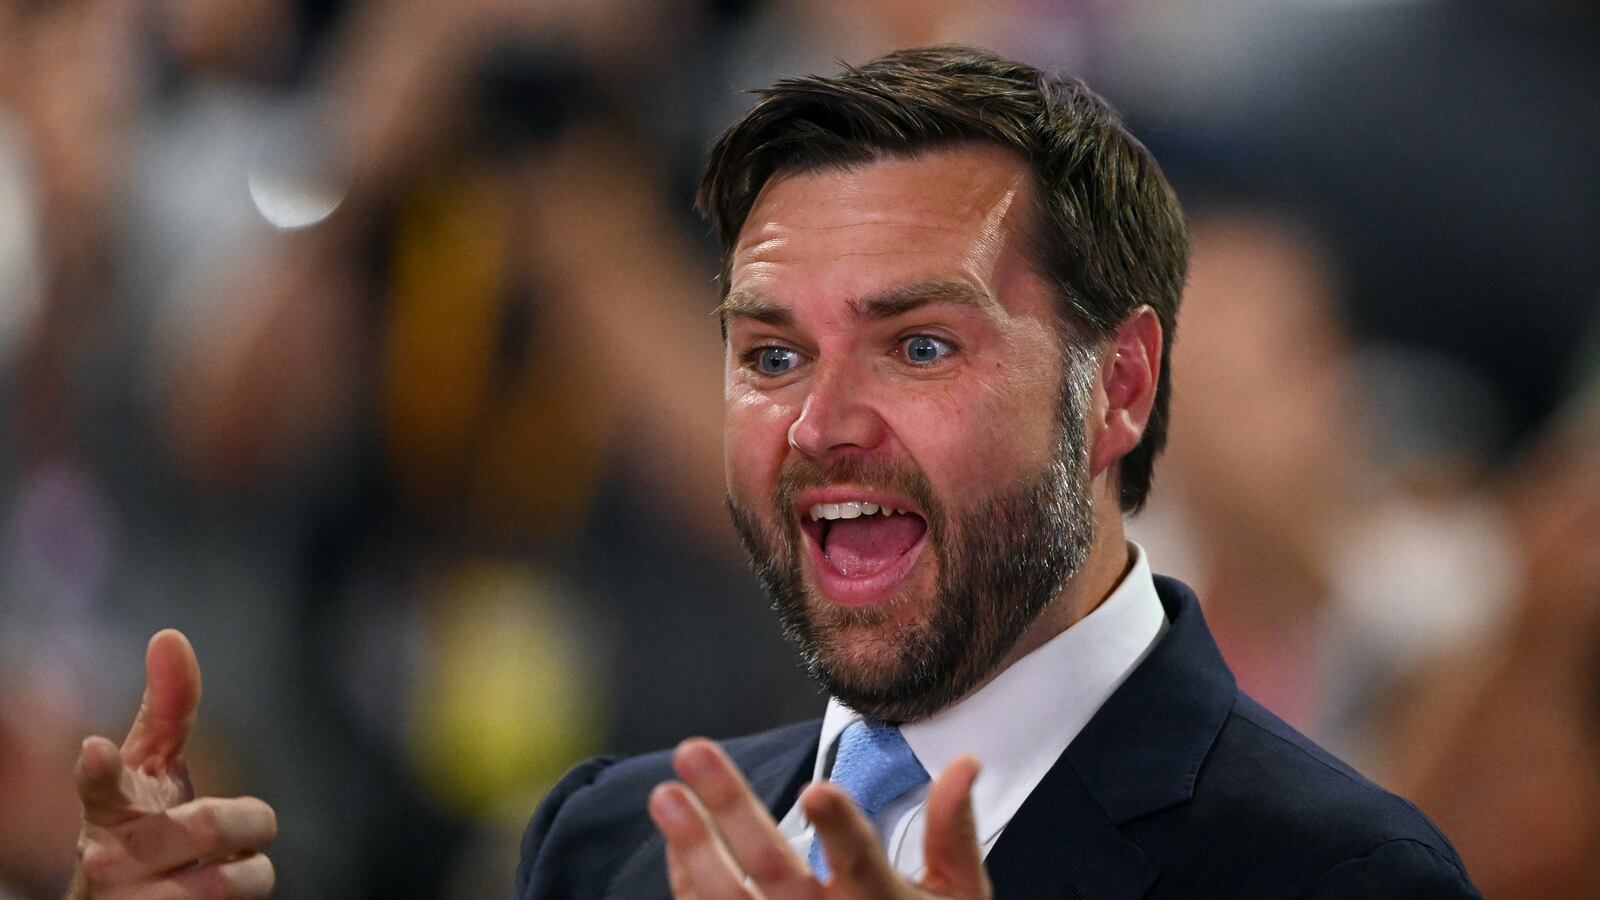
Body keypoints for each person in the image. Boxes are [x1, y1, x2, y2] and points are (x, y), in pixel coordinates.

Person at [66, 46, 1481, 899]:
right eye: (768, 356)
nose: (820, 426)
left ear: (1116, 386)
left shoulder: (1336, 876)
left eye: (919, 347)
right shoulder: (603, 842)